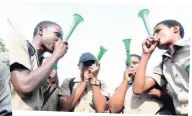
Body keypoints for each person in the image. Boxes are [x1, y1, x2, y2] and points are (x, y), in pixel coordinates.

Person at [132, 19, 190, 115]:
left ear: (175, 29)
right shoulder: (163, 65)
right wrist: (146, 54)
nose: (154, 36)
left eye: (158, 31)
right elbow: (138, 88)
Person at [8, 20, 68, 110]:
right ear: (41, 31)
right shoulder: (19, 40)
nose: (60, 41)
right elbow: (25, 87)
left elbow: (36, 104)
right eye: (57, 35)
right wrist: (56, 55)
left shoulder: (43, 63)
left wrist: (53, 86)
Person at [109, 54, 173, 114]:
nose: (131, 66)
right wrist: (125, 81)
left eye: (135, 63)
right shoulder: (123, 87)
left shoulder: (154, 78)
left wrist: (160, 94)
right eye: (127, 64)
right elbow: (114, 110)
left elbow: (173, 103)